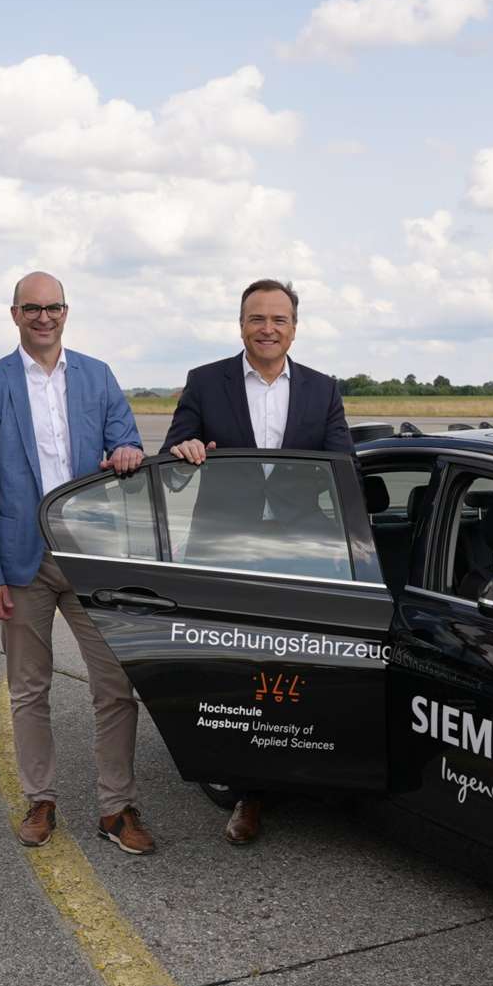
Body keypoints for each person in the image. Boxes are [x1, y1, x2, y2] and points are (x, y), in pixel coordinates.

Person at [0, 272, 155, 854]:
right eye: (32, 308)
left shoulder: (96, 376)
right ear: (14, 314)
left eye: (54, 307)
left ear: (67, 312)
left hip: (90, 557)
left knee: (116, 686)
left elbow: (128, 437)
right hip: (22, 563)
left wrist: (127, 449)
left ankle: (117, 808)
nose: (44, 317)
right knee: (29, 689)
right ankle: (40, 799)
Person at [162, 279, 351, 845]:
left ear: (295, 327)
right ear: (240, 323)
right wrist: (184, 452)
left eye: (279, 319)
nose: (267, 328)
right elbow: (171, 467)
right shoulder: (205, 382)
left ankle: (310, 767)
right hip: (228, 550)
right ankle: (249, 792)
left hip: (301, 553)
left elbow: (342, 470)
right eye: (256, 318)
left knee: (300, 669)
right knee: (241, 672)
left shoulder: (322, 389)